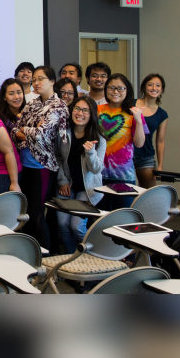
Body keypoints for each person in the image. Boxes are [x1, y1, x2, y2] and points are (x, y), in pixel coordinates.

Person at [11, 66, 69, 249]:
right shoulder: (32, 104)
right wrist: (32, 129)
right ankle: (29, 254)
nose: (35, 83)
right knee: (25, 214)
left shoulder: (59, 105)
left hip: (42, 166)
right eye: (34, 79)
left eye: (40, 79)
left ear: (52, 81)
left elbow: (40, 135)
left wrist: (26, 131)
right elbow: (14, 130)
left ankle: (44, 258)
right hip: (24, 165)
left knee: (37, 214)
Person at [55, 95, 106, 255]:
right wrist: (62, 180)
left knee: (76, 226)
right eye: (77, 109)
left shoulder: (99, 138)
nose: (80, 113)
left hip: (87, 188)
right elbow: (57, 158)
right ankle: (71, 259)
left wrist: (90, 152)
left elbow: (97, 169)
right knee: (63, 224)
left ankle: (93, 256)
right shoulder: (63, 134)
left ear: (91, 115)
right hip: (66, 185)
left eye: (85, 110)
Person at [97, 73, 148, 210]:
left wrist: (138, 120)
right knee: (101, 215)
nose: (115, 92)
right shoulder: (97, 110)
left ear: (127, 90)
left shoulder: (134, 112)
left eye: (120, 88)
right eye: (111, 88)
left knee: (122, 216)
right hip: (99, 172)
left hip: (123, 174)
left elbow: (139, 143)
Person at [134, 73, 169, 189]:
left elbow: (160, 141)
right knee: (126, 192)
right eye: (150, 85)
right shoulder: (131, 104)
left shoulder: (162, 114)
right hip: (126, 155)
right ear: (144, 87)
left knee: (147, 194)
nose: (154, 88)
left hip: (146, 157)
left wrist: (160, 166)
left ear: (162, 89)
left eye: (158, 85)